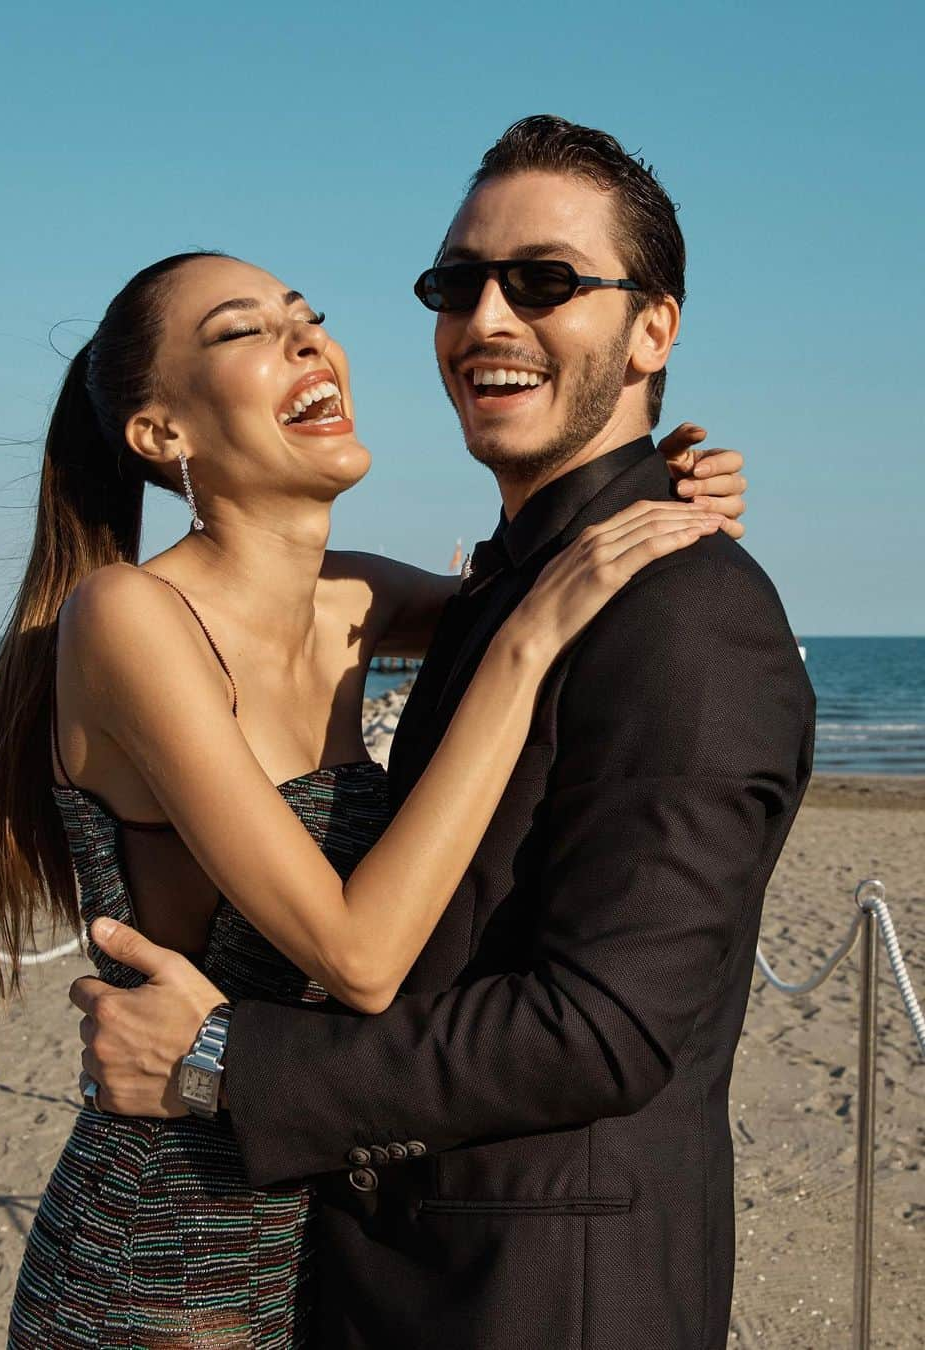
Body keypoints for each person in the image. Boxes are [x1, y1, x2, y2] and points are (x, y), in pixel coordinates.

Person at [77, 116, 814, 1350]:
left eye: (544, 282)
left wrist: (224, 1063)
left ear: (654, 329)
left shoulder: (686, 615)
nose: (485, 318)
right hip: (338, 1259)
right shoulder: (503, 591)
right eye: (455, 283)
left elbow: (609, 1029)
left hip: (536, 1297)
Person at [0, 239, 744, 1348]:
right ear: (161, 434)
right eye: (242, 331)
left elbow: (537, 574)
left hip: (326, 1246)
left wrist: (663, 480)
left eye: (304, 314)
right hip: (171, 1267)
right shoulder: (127, 618)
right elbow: (357, 958)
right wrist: (528, 647)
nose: (306, 338)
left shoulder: (354, 597)